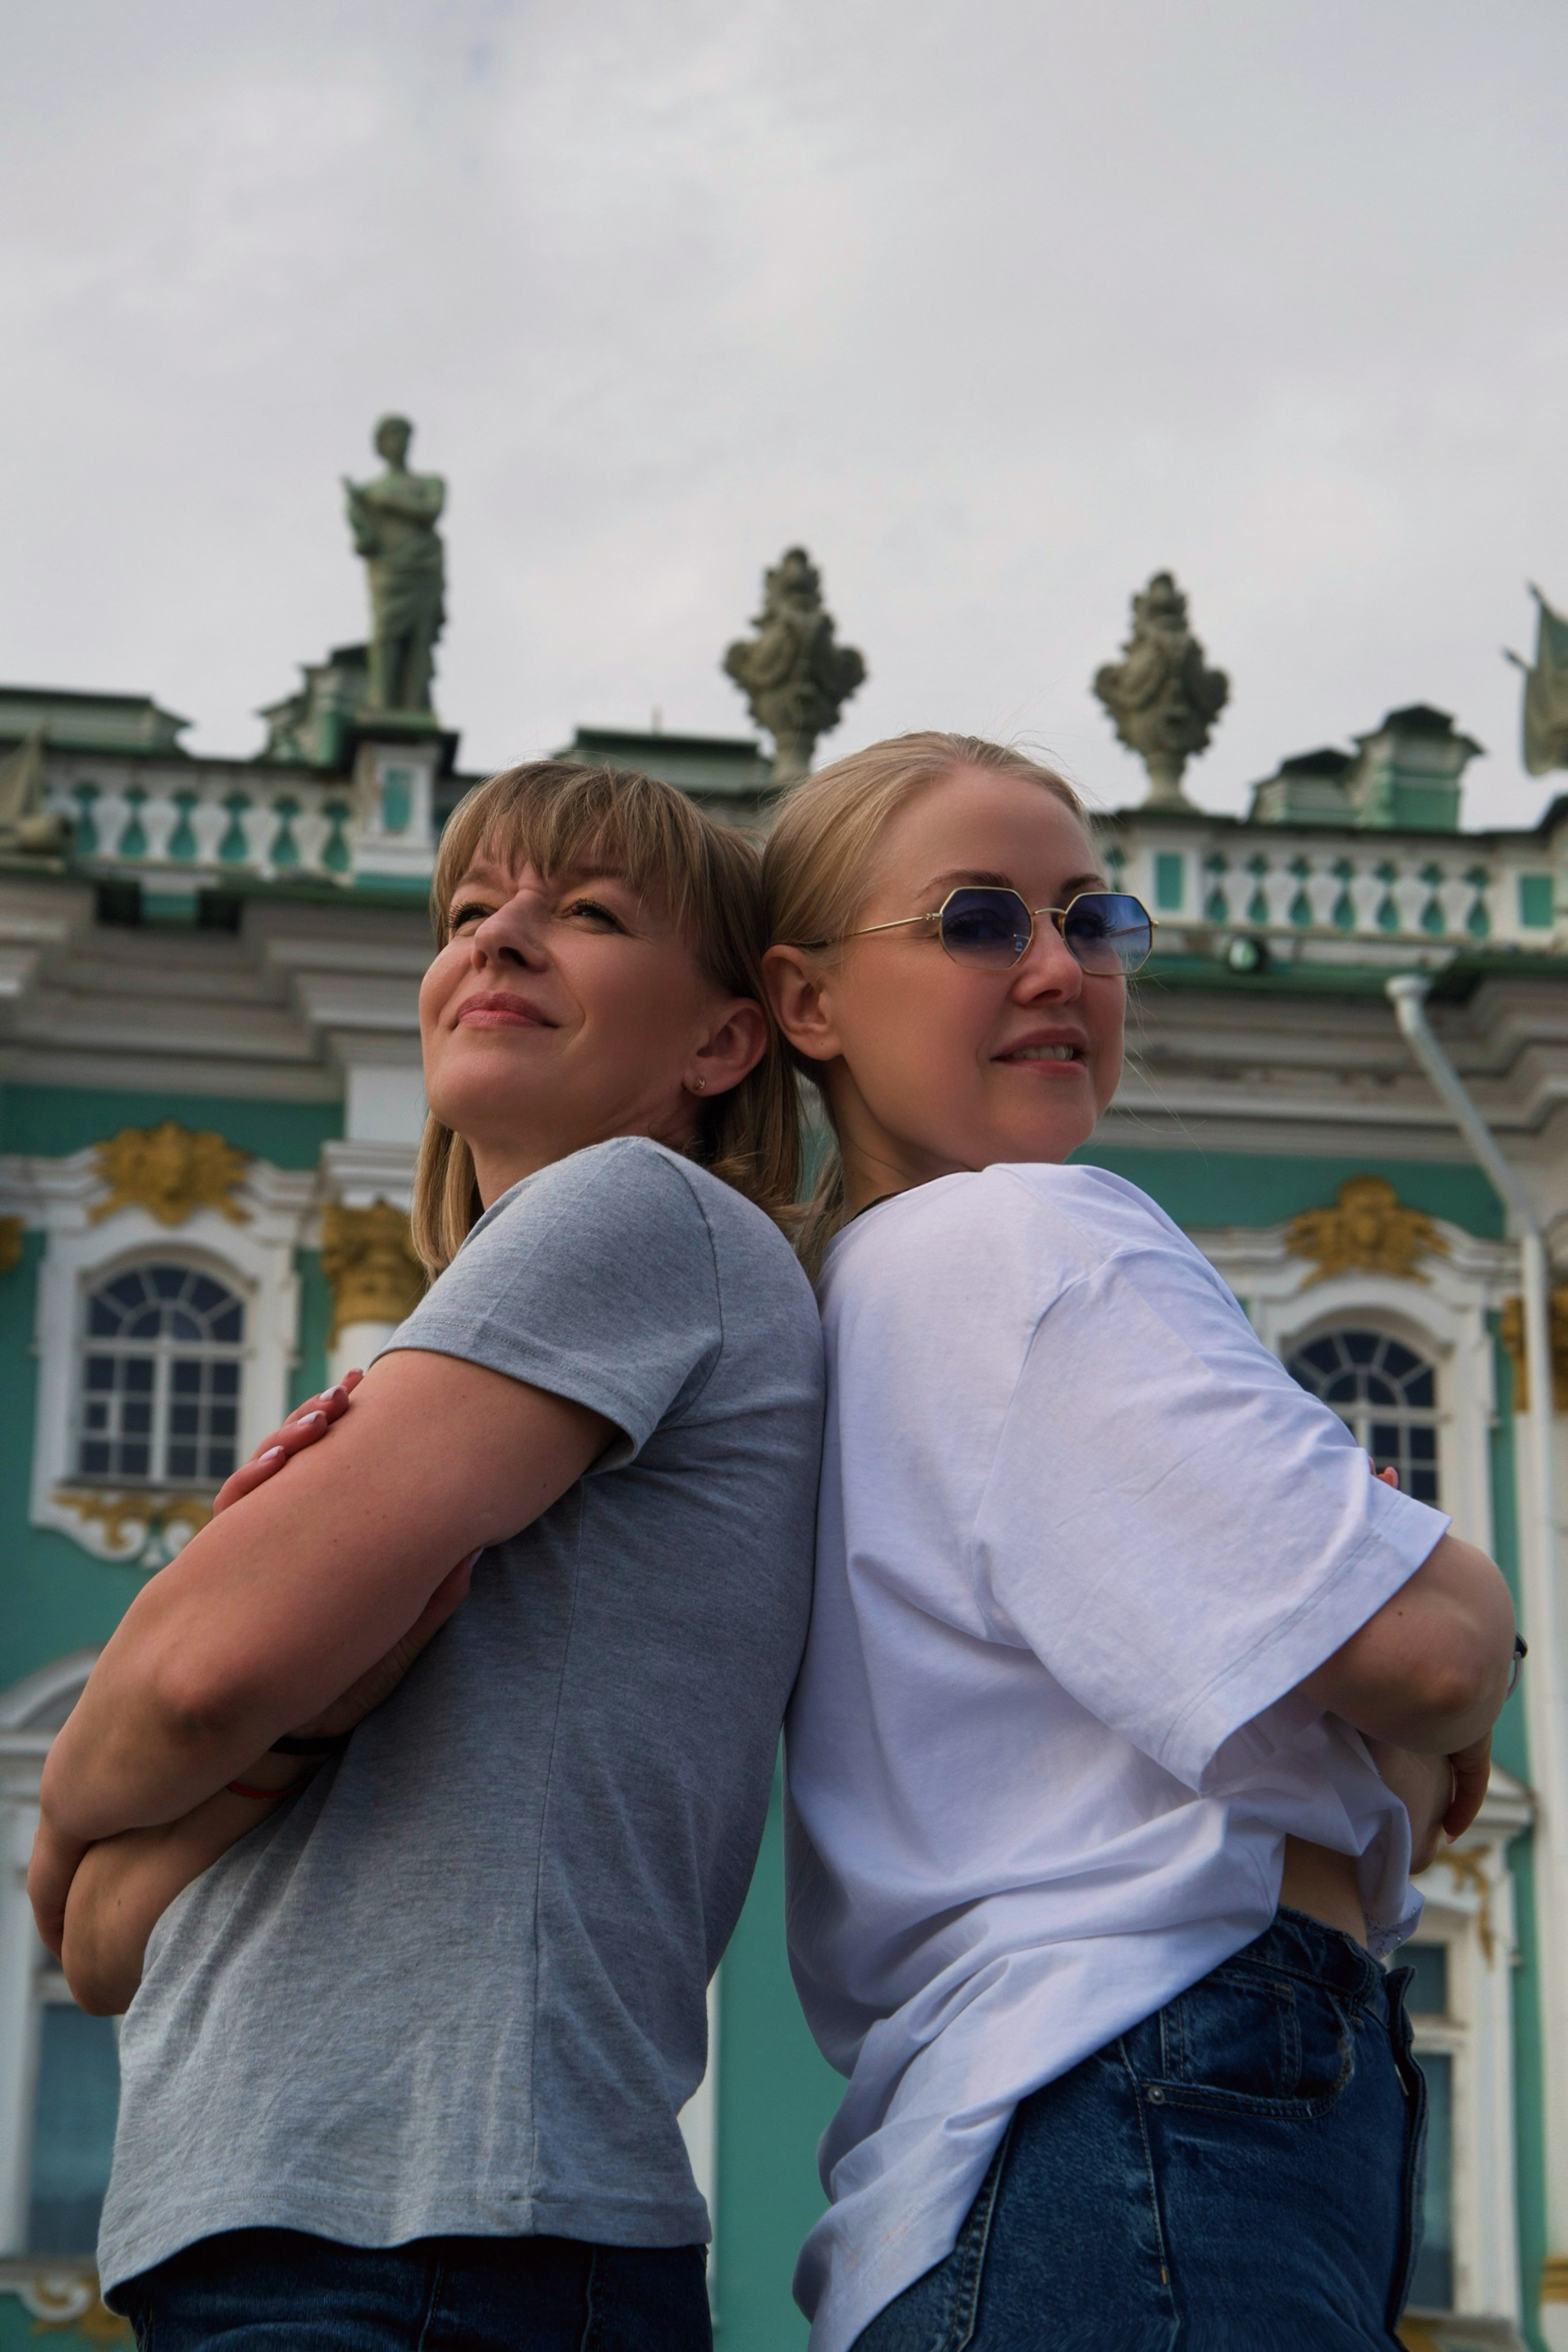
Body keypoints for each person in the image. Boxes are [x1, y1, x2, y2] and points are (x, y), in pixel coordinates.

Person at [31, 758, 826, 2352]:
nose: (503, 940)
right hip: (337, 2236)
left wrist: (72, 1809)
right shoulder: (460, 1351)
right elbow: (106, 1946)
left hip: (427, 2246)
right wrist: (279, 1741)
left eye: (587, 913)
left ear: (725, 1039)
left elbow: (190, 1684)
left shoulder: (637, 1212)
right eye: (471, 912)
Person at [758, 732, 1517, 2352]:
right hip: (1158, 2096)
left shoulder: (837, 1311)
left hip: (1015, 2157)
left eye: (1094, 921)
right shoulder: (1027, 1235)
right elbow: (1436, 1651)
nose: (1058, 966)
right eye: (979, 922)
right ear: (807, 1002)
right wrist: (1462, 1621)